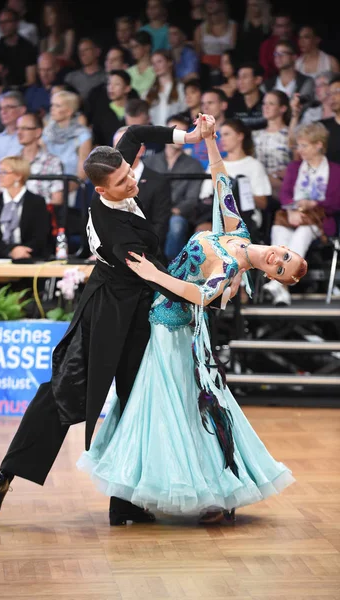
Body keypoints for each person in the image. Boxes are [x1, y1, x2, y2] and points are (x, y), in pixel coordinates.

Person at [76, 114, 307, 525]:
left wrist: (154, 275)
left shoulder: (232, 269)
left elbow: (201, 295)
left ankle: (177, 491)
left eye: (279, 270)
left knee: (163, 411)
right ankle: (137, 498)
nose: (278, 259)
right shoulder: (236, 229)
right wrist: (210, 140)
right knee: (158, 409)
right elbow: (221, 180)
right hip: (158, 317)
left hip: (170, 328)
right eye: (286, 256)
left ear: (270, 277)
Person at [0, 120, 204, 525]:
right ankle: (5, 473)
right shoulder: (116, 231)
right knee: (62, 394)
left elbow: (135, 132)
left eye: (130, 171)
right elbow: (157, 274)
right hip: (105, 314)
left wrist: (185, 137)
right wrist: (207, 295)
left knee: (137, 402)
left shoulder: (120, 166)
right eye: (121, 182)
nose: (132, 182)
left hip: (138, 312)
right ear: (102, 191)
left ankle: (125, 500)